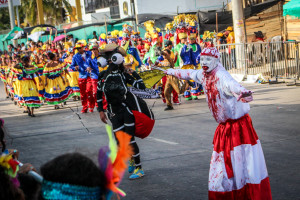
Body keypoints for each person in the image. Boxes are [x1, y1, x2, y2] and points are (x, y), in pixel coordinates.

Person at [165, 47, 272, 200]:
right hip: (224, 129)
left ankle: (244, 194)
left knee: (243, 165)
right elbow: (187, 73)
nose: (204, 63)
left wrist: (244, 94)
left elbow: (234, 86)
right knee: (225, 168)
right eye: (202, 60)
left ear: (216, 60)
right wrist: (169, 71)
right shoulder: (203, 74)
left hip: (239, 128)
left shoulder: (221, 75)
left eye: (208, 60)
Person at [97, 43, 147, 179]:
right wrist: (101, 111)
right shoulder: (102, 76)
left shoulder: (124, 75)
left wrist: (134, 73)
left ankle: (139, 168)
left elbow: (141, 86)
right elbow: (99, 94)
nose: (108, 60)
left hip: (126, 111)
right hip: (113, 113)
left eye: (111, 57)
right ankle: (131, 159)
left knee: (130, 140)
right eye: (106, 58)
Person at [70, 43, 93, 113]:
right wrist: (75, 67)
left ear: (83, 47)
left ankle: (91, 106)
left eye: (80, 48)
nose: (79, 49)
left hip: (90, 75)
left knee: (89, 91)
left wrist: (92, 67)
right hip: (82, 75)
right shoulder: (75, 56)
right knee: (83, 93)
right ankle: (85, 107)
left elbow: (94, 61)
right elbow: (72, 66)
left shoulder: (89, 53)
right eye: (77, 48)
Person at [84, 44, 100, 112]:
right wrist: (87, 67)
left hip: (101, 77)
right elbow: (86, 64)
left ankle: (101, 106)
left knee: (100, 92)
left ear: (97, 50)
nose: (93, 51)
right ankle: (92, 106)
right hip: (93, 77)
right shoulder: (89, 58)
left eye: (94, 49)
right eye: (92, 50)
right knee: (91, 92)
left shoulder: (101, 58)